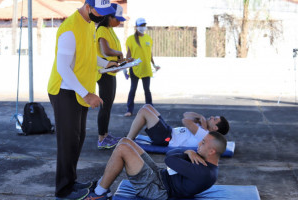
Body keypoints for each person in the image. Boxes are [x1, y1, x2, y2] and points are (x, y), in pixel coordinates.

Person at [47, 0, 116, 199]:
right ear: (87, 6)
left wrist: (107, 64)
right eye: (98, 11)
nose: (101, 16)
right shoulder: (70, 29)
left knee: (78, 139)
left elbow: (87, 56)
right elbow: (63, 68)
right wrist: (86, 94)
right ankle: (63, 190)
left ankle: (71, 182)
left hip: (78, 90)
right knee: (68, 141)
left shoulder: (88, 25)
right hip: (64, 91)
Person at [83, 132, 227, 199]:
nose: (198, 144)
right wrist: (189, 153)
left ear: (212, 151)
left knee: (122, 149)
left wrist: (188, 152)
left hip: (157, 189)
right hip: (160, 176)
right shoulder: (203, 161)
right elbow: (171, 158)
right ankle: (103, 187)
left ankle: (100, 193)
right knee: (125, 141)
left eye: (202, 143)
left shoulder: (204, 173)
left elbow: (170, 159)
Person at [96, 3, 126, 149]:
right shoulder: (101, 29)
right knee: (105, 106)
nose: (120, 22)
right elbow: (106, 51)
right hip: (104, 72)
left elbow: (115, 53)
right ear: (109, 17)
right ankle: (101, 138)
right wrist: (119, 55)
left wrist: (125, 61)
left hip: (111, 71)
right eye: (117, 19)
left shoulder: (110, 30)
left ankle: (105, 135)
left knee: (108, 105)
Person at [127, 104, 229, 147]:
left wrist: (200, 118)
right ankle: (129, 138)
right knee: (147, 107)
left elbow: (185, 121)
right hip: (169, 132)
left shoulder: (204, 134)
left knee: (144, 111)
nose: (211, 117)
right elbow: (186, 115)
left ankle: (128, 140)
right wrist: (200, 117)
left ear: (215, 128)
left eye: (214, 119)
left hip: (166, 139)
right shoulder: (203, 126)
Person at [124, 18, 160, 117]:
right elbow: (128, 54)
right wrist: (125, 67)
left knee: (147, 90)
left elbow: (150, 54)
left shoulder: (148, 38)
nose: (142, 27)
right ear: (136, 27)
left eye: (144, 25)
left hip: (146, 68)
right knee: (133, 89)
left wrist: (154, 64)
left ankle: (150, 109)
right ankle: (129, 110)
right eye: (140, 25)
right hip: (134, 68)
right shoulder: (130, 39)